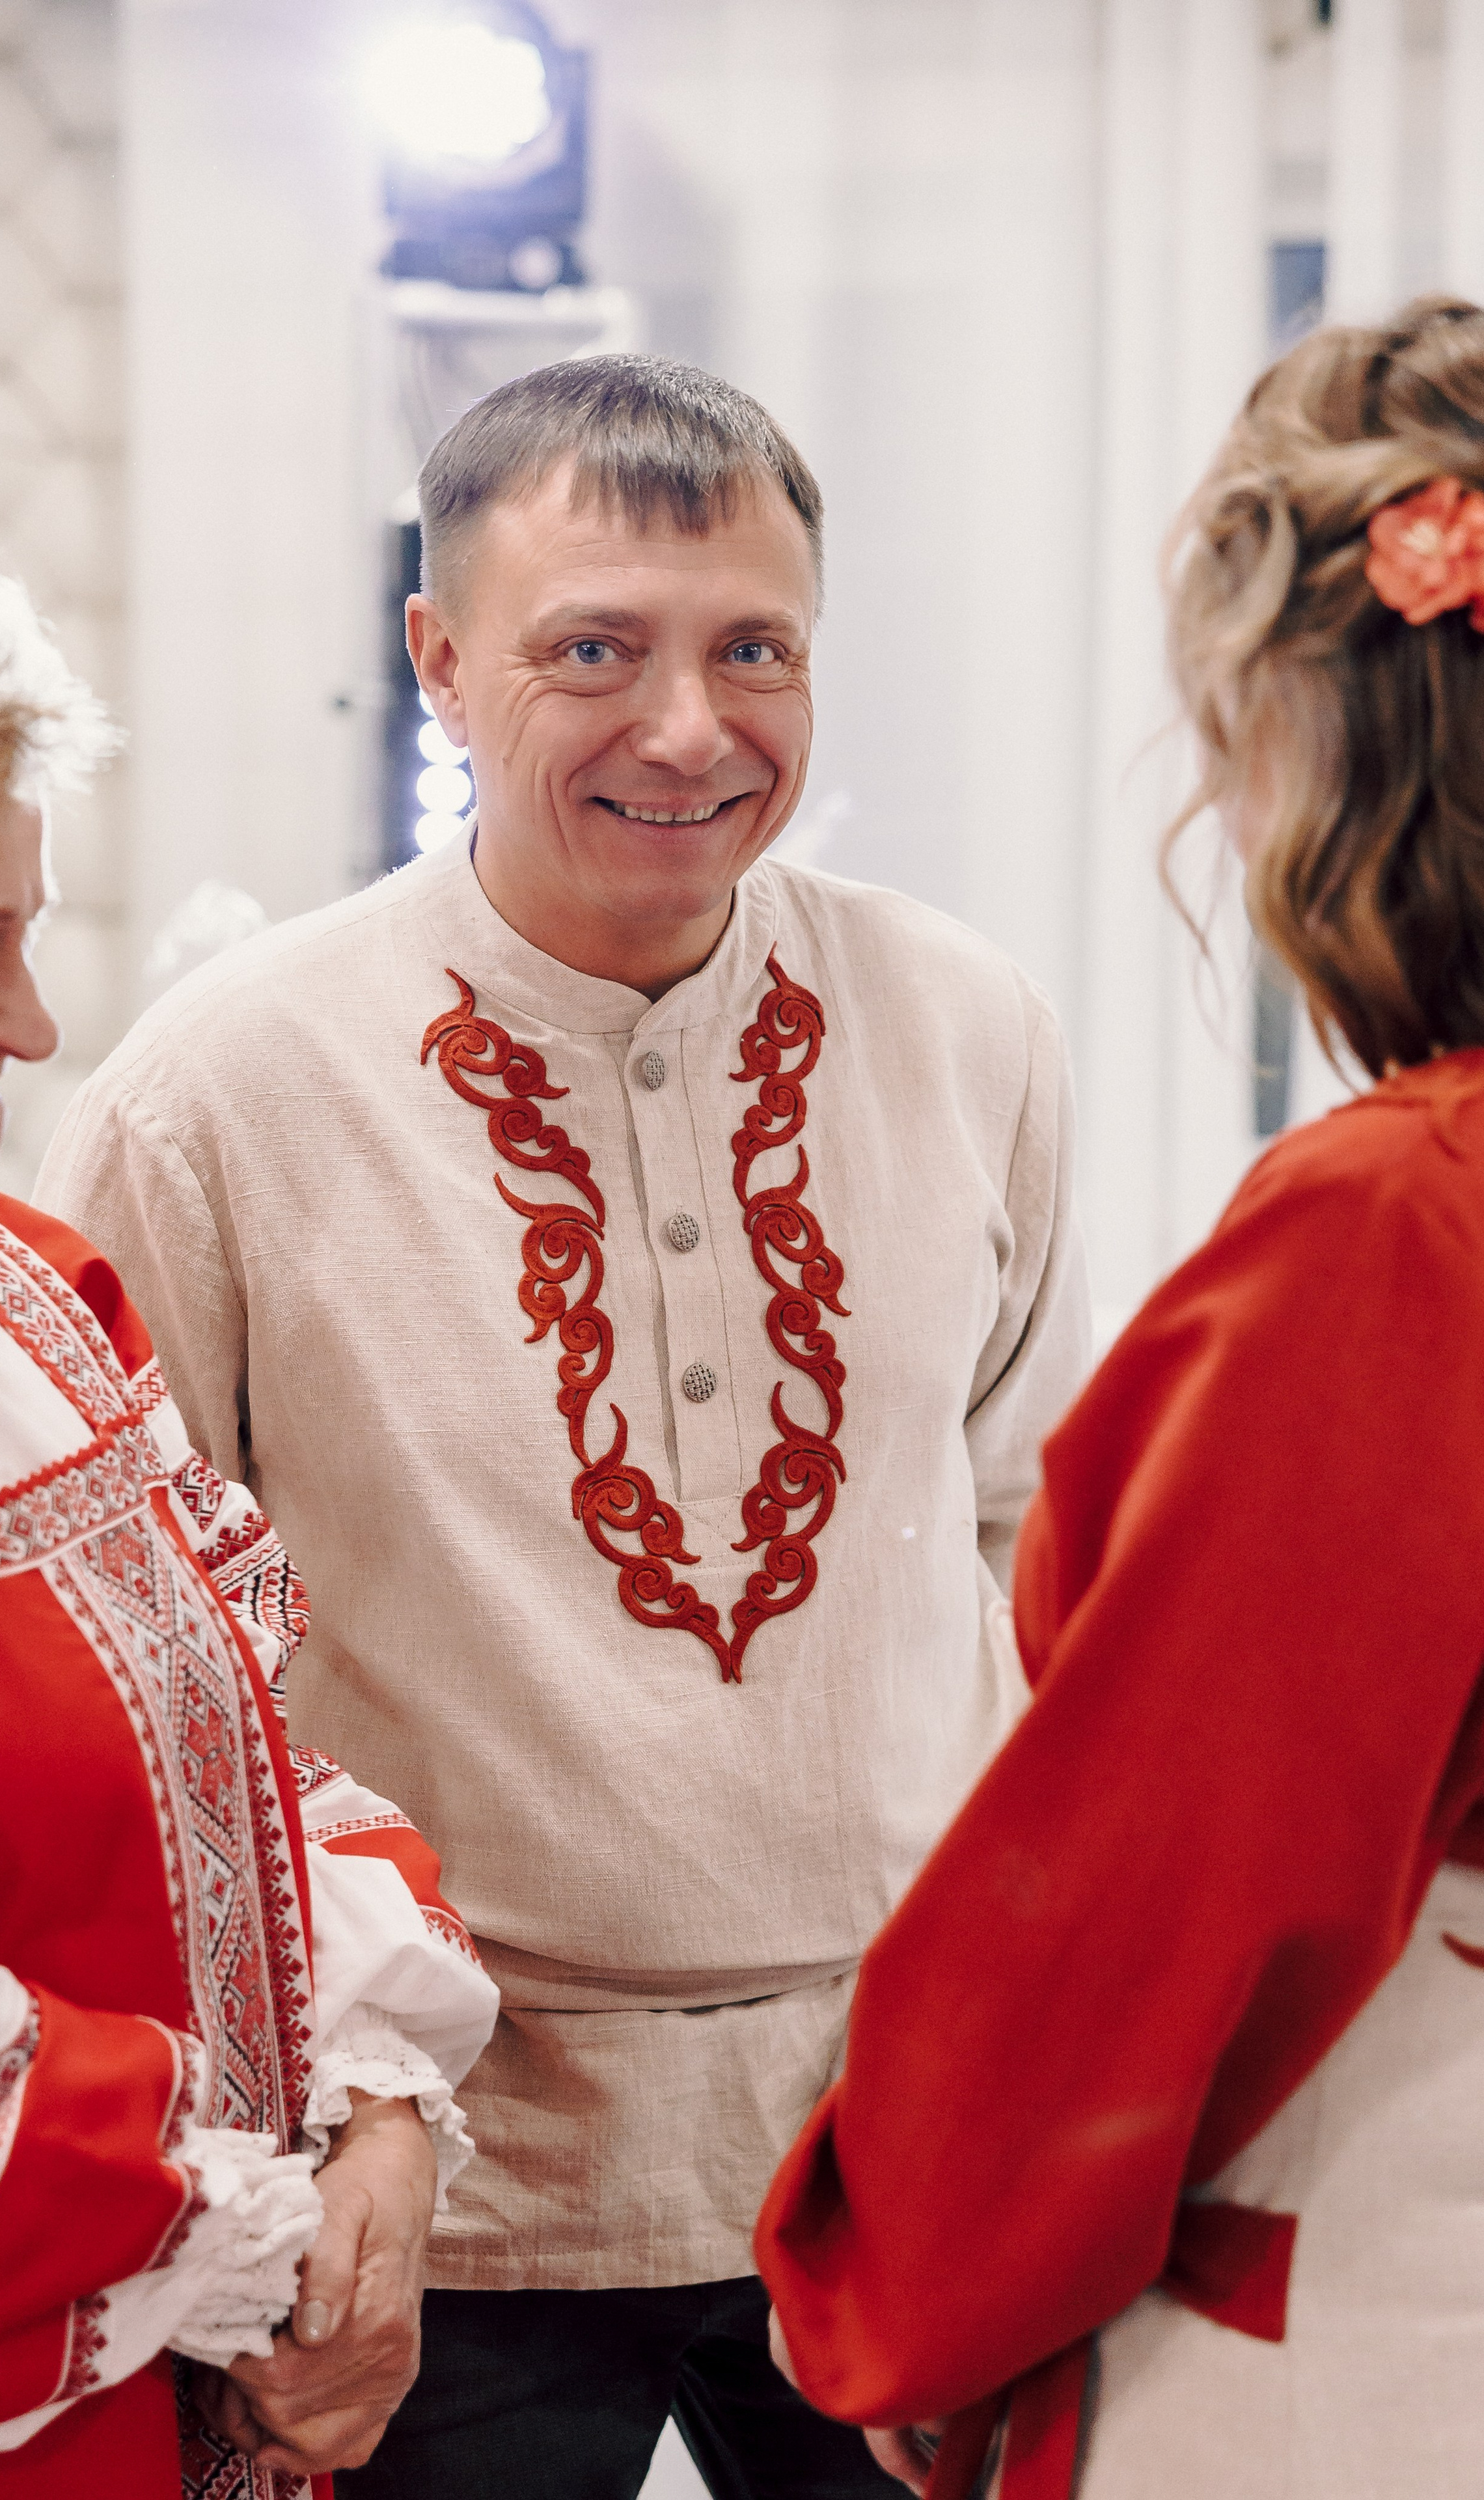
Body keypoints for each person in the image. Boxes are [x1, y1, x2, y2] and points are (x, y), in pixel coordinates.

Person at [38, 353, 1090, 2499]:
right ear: (437, 658)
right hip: (441, 2183)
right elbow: (138, 1681)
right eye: (592, 650)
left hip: (890, 2140)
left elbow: (1028, 1537)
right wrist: (298, 2138)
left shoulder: (966, 1022)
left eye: (755, 650)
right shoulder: (219, 1091)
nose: (689, 730)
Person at [756, 292, 1484, 2500]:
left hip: (1369, 2305)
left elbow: (1150, 1883)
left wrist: (904, 2278)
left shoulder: (1403, 1229)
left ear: (1323, 734)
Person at [0, 459, 498, 2500]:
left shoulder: (31, 1288)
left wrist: (380, 2115)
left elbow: (261, 1770)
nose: (30, 1018)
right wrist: (274, 2250)